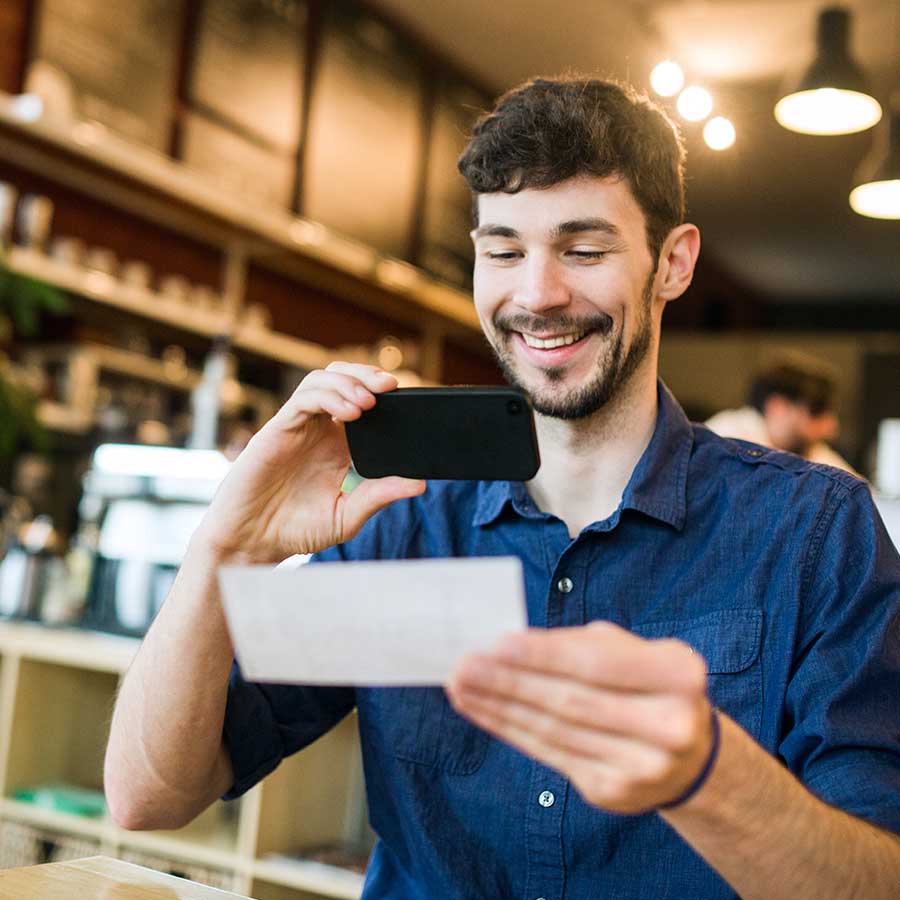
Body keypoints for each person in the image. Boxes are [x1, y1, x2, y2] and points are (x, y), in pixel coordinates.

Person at [104, 77, 900, 899]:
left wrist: (708, 775)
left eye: (583, 250)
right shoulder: (406, 520)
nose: (538, 295)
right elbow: (150, 796)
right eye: (505, 251)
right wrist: (224, 545)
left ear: (673, 262)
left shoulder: (812, 533)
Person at [705, 359, 860, 475]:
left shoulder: (810, 450)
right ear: (777, 407)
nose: (831, 427)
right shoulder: (723, 438)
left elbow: (861, 495)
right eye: (816, 411)